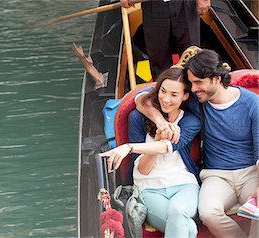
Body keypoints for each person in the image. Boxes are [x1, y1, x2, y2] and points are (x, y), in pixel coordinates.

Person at [136, 47, 259, 238]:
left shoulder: (252, 103)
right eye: (191, 83)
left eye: (198, 83)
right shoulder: (197, 100)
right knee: (208, 213)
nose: (193, 89)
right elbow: (142, 99)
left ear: (216, 79)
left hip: (250, 173)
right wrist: (161, 121)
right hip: (216, 175)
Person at [100, 66, 201, 238]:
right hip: (149, 188)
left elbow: (168, 147)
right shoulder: (138, 118)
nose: (166, 99)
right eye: (163, 91)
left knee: (178, 212)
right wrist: (158, 138)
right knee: (188, 228)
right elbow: (144, 170)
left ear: (185, 96)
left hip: (185, 185)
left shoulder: (190, 121)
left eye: (174, 95)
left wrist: (130, 147)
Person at [120, 0, 210, 80]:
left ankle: (193, 94)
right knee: (159, 61)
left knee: (192, 57)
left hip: (186, 3)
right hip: (153, 5)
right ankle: (163, 94)